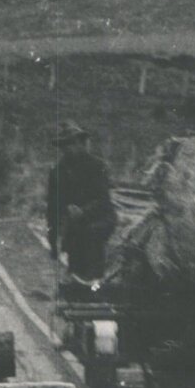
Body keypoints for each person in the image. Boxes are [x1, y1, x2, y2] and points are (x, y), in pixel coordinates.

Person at [45, 122, 116, 288]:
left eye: (72, 144)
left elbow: (104, 200)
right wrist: (53, 240)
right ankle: (76, 278)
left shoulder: (98, 166)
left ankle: (95, 280)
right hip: (73, 222)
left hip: (101, 217)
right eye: (64, 145)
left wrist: (83, 211)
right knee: (73, 249)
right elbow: (52, 209)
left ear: (81, 143)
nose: (68, 149)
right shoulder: (57, 172)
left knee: (91, 237)